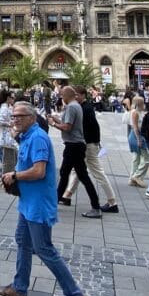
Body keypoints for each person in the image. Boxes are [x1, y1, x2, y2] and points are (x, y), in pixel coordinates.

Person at [0, 101, 88, 296]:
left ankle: (74, 295)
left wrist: (14, 176)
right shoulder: (28, 135)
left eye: (20, 115)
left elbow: (39, 171)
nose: (15, 118)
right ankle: (19, 287)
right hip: (28, 202)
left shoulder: (38, 138)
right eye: (14, 115)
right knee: (23, 241)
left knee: (44, 248)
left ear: (32, 118)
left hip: (38, 205)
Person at [62, 85, 117, 213]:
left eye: (76, 95)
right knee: (78, 169)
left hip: (88, 144)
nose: (74, 97)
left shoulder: (83, 109)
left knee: (97, 172)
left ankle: (112, 202)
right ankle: (67, 195)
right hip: (89, 143)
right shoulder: (84, 107)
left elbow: (83, 129)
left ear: (82, 95)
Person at [51, 86, 101, 219]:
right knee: (66, 173)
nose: (62, 99)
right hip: (76, 145)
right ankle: (55, 202)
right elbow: (67, 123)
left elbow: (67, 127)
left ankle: (96, 207)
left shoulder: (71, 107)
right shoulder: (76, 106)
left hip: (74, 145)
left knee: (78, 175)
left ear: (66, 95)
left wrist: (53, 124)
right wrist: (56, 120)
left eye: (62, 96)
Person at [128, 95, 149, 187]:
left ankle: (132, 179)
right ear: (139, 103)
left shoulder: (137, 112)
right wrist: (138, 139)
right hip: (136, 136)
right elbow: (135, 127)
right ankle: (137, 176)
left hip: (136, 135)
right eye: (143, 102)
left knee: (136, 158)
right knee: (146, 159)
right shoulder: (135, 113)